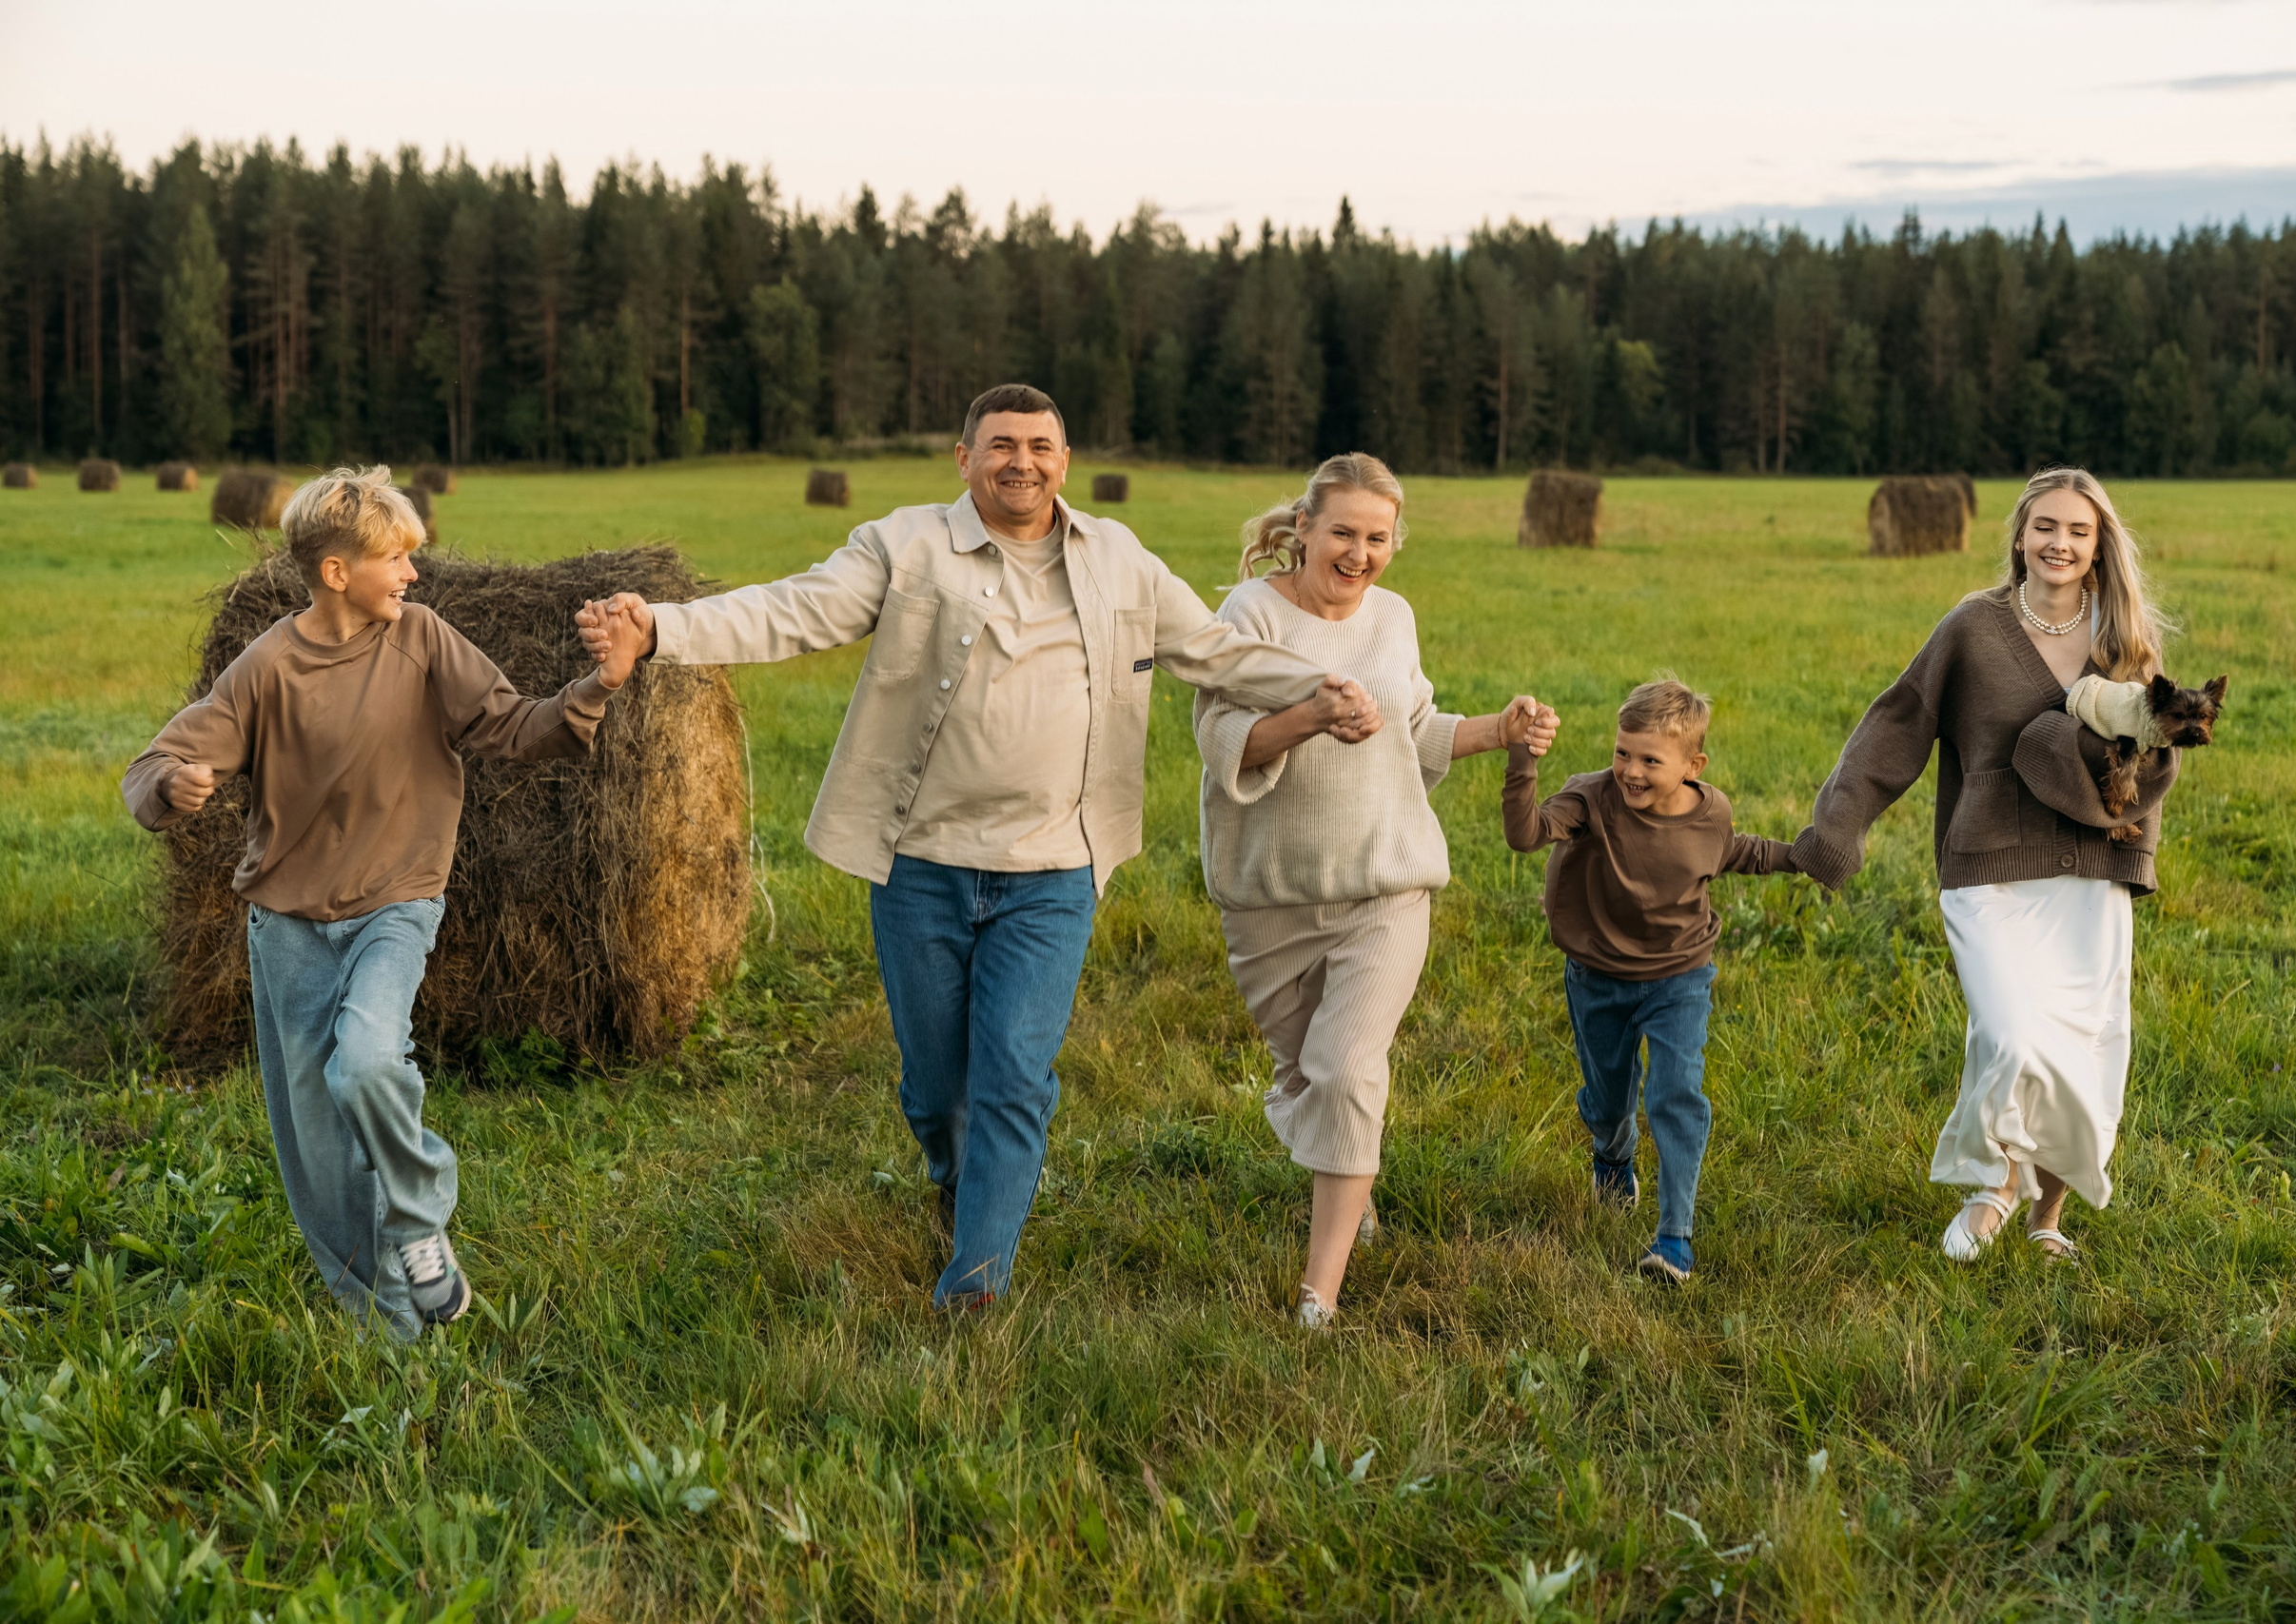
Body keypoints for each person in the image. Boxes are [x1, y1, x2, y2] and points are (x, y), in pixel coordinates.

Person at [577, 385, 1362, 1310]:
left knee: (1013, 1076)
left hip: (1054, 871)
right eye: (1000, 445)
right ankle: (957, 1175)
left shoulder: (1117, 558)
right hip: (922, 865)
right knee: (934, 1084)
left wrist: (1327, 683)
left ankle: (978, 1275)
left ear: (1064, 462)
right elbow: (792, 611)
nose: (1020, 461)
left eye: (1039, 445)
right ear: (964, 459)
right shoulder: (905, 545)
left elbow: (1216, 653)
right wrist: (662, 627)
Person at [121, 466, 649, 1338]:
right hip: (287, 928)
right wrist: (171, 786)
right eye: (395, 555)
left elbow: (518, 727)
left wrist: (600, 685)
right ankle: (393, 1328)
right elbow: (150, 767)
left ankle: (418, 1221)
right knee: (318, 1154)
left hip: (395, 906)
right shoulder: (267, 669)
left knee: (366, 1060)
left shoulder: (425, 641)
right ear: (336, 572)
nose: (413, 569)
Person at [1194, 454, 1558, 1328]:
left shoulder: (1393, 618)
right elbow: (1222, 737)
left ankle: (1319, 1295)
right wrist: (1312, 717)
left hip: (1387, 883)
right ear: (1305, 530)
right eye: (1345, 534)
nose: (1360, 554)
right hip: (1270, 894)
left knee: (1348, 1068)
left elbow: (1418, 729)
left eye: (1379, 538)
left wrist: (1500, 731)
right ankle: (1351, 1194)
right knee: (1307, 1076)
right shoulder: (1248, 615)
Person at [1792, 467, 2183, 1262]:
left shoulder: (2127, 641)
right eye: (2045, 526)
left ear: (2100, 543)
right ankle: (1995, 1184)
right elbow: (1896, 724)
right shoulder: (1974, 627)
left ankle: (2047, 1215)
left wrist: (2133, 848)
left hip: (2087, 872)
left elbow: (2155, 769)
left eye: (2078, 530)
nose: (2059, 543)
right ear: (2018, 535)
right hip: (1988, 871)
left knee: (2083, 1048)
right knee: (2008, 1035)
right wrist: (1838, 823)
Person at [1503, 675, 1803, 1285]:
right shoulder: (1589, 801)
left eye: (1649, 760)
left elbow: (1734, 852)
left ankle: (1674, 1238)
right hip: (1598, 977)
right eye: (1622, 753)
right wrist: (1522, 763)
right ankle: (1613, 1157)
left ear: (1693, 766)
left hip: (1679, 976)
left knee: (1675, 1094)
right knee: (1609, 1100)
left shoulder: (1710, 812)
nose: (1630, 770)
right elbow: (1525, 833)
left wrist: (1800, 855)